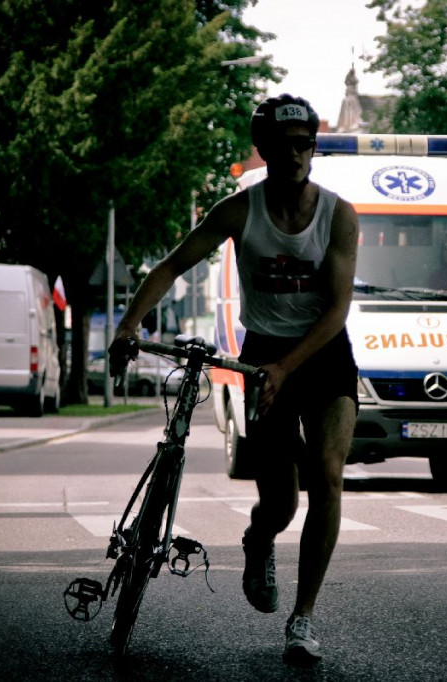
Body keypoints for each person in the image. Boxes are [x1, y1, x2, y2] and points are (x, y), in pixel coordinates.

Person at [109, 94, 358, 666]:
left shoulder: (338, 215)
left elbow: (338, 310)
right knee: (280, 502)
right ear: (264, 151)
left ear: (314, 149)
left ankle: (303, 618)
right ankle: (258, 537)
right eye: (283, 146)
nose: (295, 155)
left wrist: (287, 368)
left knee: (327, 473)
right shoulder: (239, 210)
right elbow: (171, 264)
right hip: (262, 350)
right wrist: (127, 325)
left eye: (304, 145)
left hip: (321, 353)